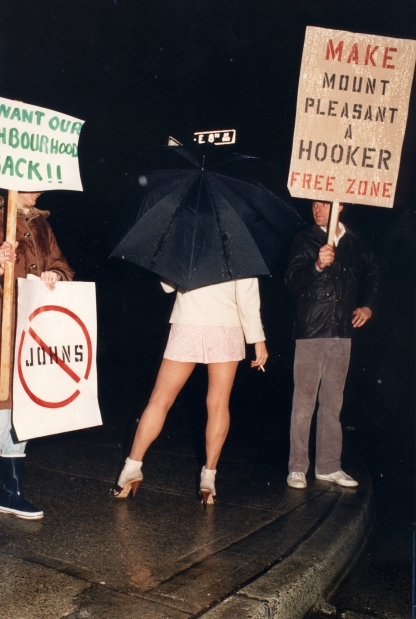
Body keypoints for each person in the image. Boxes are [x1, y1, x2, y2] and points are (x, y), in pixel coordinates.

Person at [111, 277, 268, 504]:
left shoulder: (188, 240)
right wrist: (258, 338)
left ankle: (131, 468)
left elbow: (166, 286)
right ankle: (208, 479)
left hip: (188, 323)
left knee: (159, 401)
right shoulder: (239, 245)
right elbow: (247, 295)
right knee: (218, 403)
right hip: (226, 325)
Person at [284, 201, 380, 489]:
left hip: (342, 331)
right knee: (304, 400)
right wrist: (315, 264)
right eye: (313, 203)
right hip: (311, 329)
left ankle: (328, 466)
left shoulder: (355, 241)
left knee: (333, 403)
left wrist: (368, 307)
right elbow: (291, 280)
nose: (316, 208)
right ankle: (297, 467)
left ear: (340, 205)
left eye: (323, 203)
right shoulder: (305, 238)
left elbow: (374, 273)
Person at [0, 191, 74, 519]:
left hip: (31, 330)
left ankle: (10, 491)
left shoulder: (41, 225)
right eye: (31, 183)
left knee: (22, 407)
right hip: (3, 327)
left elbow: (62, 266)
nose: (38, 191)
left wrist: (55, 276)